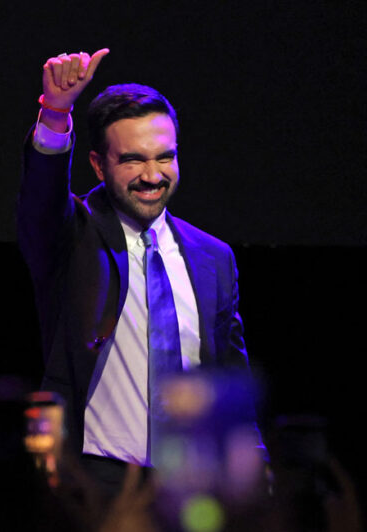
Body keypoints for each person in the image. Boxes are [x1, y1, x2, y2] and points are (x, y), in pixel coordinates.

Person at [18, 48, 257, 493]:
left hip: (192, 485)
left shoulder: (214, 257)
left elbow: (230, 377)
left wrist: (252, 460)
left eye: (164, 157)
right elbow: (40, 200)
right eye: (132, 160)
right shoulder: (72, 235)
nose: (152, 175)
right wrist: (54, 114)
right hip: (98, 482)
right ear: (98, 164)